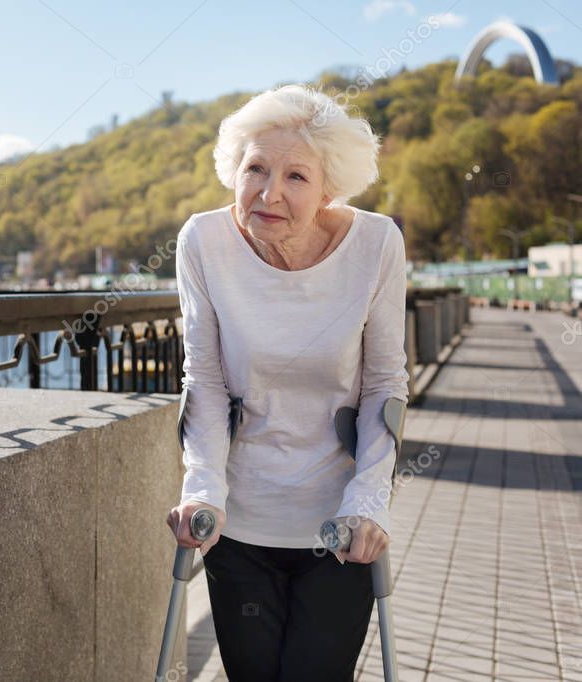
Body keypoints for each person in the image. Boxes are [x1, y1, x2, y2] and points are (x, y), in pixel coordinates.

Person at [165, 84, 409, 681]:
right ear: (234, 171)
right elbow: (206, 382)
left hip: (339, 528)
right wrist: (204, 491)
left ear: (330, 188)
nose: (270, 193)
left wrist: (368, 503)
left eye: (297, 176)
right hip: (241, 521)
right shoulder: (203, 243)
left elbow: (384, 385)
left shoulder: (376, 245)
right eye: (256, 169)